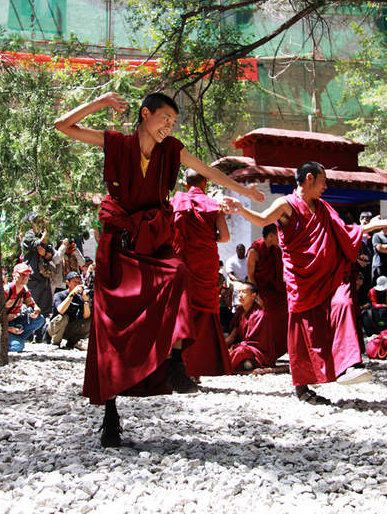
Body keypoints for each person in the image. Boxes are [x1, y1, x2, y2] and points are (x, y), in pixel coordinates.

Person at [54, 90, 264, 447]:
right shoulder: (116, 143)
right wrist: (102, 102)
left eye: (173, 123)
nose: (169, 127)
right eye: (164, 119)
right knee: (110, 326)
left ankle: (176, 362)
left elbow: (207, 170)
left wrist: (245, 194)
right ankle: (110, 413)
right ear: (145, 114)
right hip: (120, 242)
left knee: (178, 274)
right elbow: (63, 126)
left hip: (154, 239)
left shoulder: (172, 151)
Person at [222, 161, 387, 404]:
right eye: (323, 181)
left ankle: (349, 365)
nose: (325, 186)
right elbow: (261, 219)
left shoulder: (324, 208)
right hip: (302, 280)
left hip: (330, 276)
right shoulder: (286, 204)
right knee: (302, 331)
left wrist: (376, 225)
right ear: (309, 178)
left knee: (343, 302)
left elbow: (346, 231)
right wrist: (239, 209)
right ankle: (302, 388)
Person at [170, 168, 232, 379]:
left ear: (186, 184)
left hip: (182, 263)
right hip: (205, 265)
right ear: (205, 184)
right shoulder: (214, 205)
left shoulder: (176, 202)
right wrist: (207, 238)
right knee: (203, 314)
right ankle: (196, 370)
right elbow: (224, 237)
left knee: (182, 312)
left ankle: (177, 367)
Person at [247, 224, 288, 360]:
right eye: (278, 235)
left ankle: (279, 351)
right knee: (268, 320)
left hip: (277, 290)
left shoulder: (277, 250)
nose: (281, 238)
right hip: (263, 291)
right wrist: (257, 296)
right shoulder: (254, 250)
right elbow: (251, 276)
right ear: (270, 236)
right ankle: (266, 352)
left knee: (286, 316)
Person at [0, 263, 44, 352]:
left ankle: (13, 338)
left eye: (27, 275)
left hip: (10, 322)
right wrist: (7, 328)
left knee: (39, 319)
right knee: (17, 347)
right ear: (14, 275)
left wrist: (36, 311)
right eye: (22, 274)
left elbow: (34, 306)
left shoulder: (24, 291)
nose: (25, 277)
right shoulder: (5, 290)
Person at [226, 282, 275, 373]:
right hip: (242, 346)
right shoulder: (239, 312)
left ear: (253, 295)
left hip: (257, 351)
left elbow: (258, 343)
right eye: (239, 292)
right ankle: (243, 364)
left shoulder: (260, 315)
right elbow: (233, 335)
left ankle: (224, 369)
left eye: (244, 292)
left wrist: (236, 348)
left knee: (240, 352)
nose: (240, 295)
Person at [48, 271, 91, 349]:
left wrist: (85, 301)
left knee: (89, 321)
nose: (77, 284)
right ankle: (55, 343)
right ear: (68, 283)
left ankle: (72, 342)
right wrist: (72, 294)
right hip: (55, 327)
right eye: (75, 282)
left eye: (79, 282)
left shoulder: (79, 297)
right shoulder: (59, 295)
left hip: (70, 328)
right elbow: (61, 310)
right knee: (63, 317)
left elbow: (86, 316)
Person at [226, 244, 248, 310]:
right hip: (235, 281)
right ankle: (237, 306)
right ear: (236, 250)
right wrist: (240, 281)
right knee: (239, 288)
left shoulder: (248, 260)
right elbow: (230, 275)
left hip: (247, 280)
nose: (241, 251)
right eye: (240, 250)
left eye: (243, 250)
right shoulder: (231, 260)